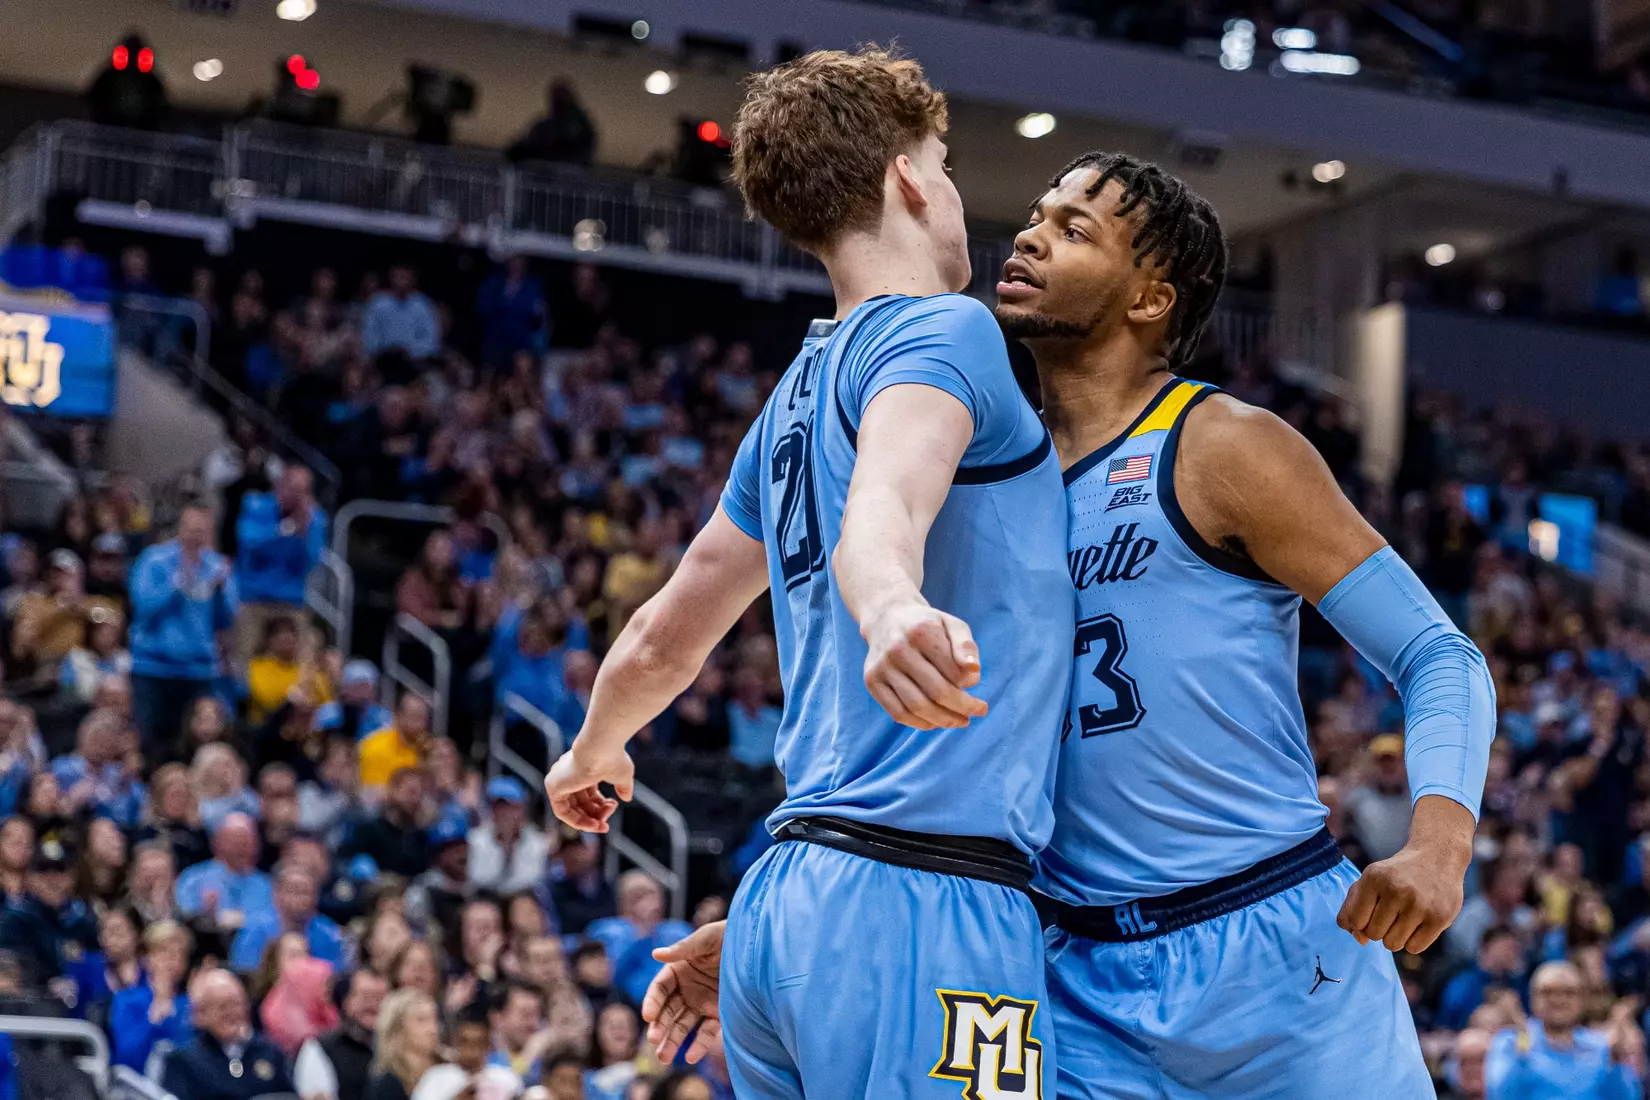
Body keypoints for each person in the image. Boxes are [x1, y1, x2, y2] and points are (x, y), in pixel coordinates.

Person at [645, 151, 1496, 1099]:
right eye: (1038, 214)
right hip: (1072, 984)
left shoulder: (1224, 446)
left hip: (1276, 955)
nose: (1031, 236)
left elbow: (1436, 652)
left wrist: (1440, 841)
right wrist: (832, 926)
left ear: (1149, 299)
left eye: (1075, 228)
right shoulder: (982, 473)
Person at [546, 47, 1072, 1099]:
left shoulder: (792, 396)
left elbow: (665, 634)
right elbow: (884, 504)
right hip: (929, 902)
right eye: (946, 163)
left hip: (786, 910)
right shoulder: (947, 330)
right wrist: (889, 607)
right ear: (909, 179)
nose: (959, 192)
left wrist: (592, 746)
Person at [128, 504, 238, 762]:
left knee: (197, 741)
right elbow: (142, 607)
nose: (195, 536)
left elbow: (227, 620)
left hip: (198, 670)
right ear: (180, 529)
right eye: (191, 529)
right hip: (153, 667)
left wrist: (220, 592)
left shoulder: (217, 567)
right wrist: (177, 584)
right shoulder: (154, 560)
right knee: (149, 739)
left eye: (202, 531)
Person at [1485, 961, 1643, 1099]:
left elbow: (1629, 1096)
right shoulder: (1510, 1042)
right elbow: (1500, 1094)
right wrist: (1524, 1042)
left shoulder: (1602, 1046)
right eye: (1547, 992)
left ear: (1582, 1000)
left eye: (1569, 993)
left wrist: (1616, 1063)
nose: (1558, 1000)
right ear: (1532, 999)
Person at [234, 465, 328, 666]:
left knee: (300, 663)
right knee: (244, 662)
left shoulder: (314, 519)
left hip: (291, 601)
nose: (295, 496)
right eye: (292, 489)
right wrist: (284, 529)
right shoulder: (256, 505)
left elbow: (311, 562)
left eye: (302, 492)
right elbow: (249, 541)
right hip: (253, 598)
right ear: (280, 486)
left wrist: (304, 533)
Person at [160, 968, 295, 1100]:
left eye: (237, 1004)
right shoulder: (182, 1061)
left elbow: (290, 1097)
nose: (232, 1012)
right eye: (223, 1006)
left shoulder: (270, 1052)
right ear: (200, 1014)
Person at [0, 837, 97, 1000]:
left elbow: (96, 969)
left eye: (60, 870)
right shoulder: (16, 921)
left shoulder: (83, 923)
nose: (52, 879)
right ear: (30, 878)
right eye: (43, 870)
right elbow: (10, 971)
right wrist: (46, 986)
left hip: (78, 1012)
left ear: (72, 877)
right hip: (31, 1010)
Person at [108, 920, 194, 1071]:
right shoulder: (126, 1000)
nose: (172, 960)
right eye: (164, 952)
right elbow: (127, 1055)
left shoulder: (189, 1004)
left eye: (179, 954)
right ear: (148, 959)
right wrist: (157, 1013)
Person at [229, 862, 346, 971]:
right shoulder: (255, 930)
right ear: (276, 894)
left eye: (307, 892)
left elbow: (334, 979)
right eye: (294, 891)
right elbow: (245, 975)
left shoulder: (328, 933)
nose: (302, 899)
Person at [296, 967, 390, 1100]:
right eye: (365, 996)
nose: (373, 1004)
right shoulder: (319, 1047)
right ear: (346, 1000)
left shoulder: (400, 1045)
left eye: (380, 997)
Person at [174, 813, 275, 930]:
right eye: (234, 841)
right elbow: (184, 915)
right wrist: (205, 913)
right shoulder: (193, 878)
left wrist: (238, 919)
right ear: (217, 843)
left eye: (246, 842)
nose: (241, 848)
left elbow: (272, 920)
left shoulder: (266, 885)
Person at [410, 1003, 523, 1100]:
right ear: (455, 1042)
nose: (471, 1051)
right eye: (465, 1042)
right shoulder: (435, 1078)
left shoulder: (508, 1079)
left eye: (479, 1043)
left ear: (488, 1044)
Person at [468, 777, 551, 897]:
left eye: (509, 808)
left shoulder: (538, 842)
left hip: (524, 901)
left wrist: (511, 849)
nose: (504, 813)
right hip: (488, 900)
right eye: (498, 807)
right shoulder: (475, 839)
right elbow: (478, 878)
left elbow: (534, 879)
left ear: (522, 810)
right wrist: (505, 851)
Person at [1439, 925, 1529, 1030]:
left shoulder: (1516, 984)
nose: (1513, 954)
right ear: (1488, 947)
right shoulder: (1466, 983)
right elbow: (1450, 1019)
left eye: (1516, 949)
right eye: (1508, 947)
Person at [345, 765, 431, 876]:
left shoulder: (420, 838)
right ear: (393, 791)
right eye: (411, 792)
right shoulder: (371, 831)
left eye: (421, 794)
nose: (416, 799)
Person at [1345, 734, 1415, 862]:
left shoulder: (1416, 800)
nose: (1388, 767)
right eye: (1382, 762)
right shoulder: (1356, 799)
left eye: (1393, 761)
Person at [368, 988, 443, 1100]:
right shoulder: (386, 1084)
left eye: (434, 1019)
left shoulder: (449, 1068)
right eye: (421, 1020)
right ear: (398, 1028)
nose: (433, 1029)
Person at [508, 80, 597, 166]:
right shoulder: (545, 125)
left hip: (568, 166)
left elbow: (567, 144)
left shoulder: (578, 125)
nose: (555, 104)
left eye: (558, 101)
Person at [363, 267, 441, 363]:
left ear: (412, 279)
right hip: (381, 360)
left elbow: (431, 341)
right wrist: (384, 350)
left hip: (416, 362)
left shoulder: (423, 304)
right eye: (398, 276)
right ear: (391, 277)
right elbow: (370, 336)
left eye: (405, 277)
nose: (401, 281)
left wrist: (410, 351)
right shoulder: (377, 302)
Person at [360, 694, 434, 790]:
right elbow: (371, 791)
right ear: (398, 716)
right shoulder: (375, 746)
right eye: (415, 716)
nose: (421, 724)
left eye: (424, 718)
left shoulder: (429, 749)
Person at [316, 659, 393, 741]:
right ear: (344, 688)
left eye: (366, 686)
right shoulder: (328, 712)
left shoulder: (383, 718)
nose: (362, 692)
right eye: (357, 686)